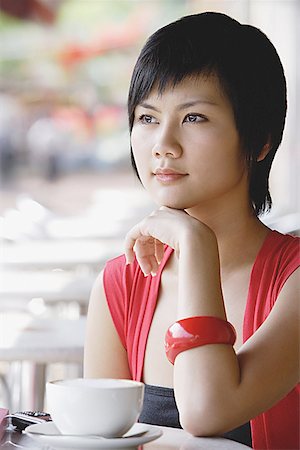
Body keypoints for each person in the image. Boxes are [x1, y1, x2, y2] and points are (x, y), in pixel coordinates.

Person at [84, 12, 299, 450]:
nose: (163, 143)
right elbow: (99, 440)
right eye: (146, 118)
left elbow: (207, 411)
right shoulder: (121, 283)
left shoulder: (292, 279)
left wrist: (195, 244)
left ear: (259, 140)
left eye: (194, 118)